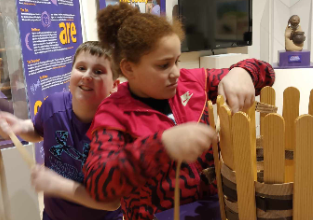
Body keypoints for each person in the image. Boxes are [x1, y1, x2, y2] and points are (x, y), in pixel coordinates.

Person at [83, 3, 275, 220]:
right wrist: (160, 145)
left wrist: (243, 72)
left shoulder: (193, 82)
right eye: (163, 65)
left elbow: (266, 72)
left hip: (217, 209)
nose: (175, 73)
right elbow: (98, 182)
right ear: (129, 68)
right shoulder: (112, 113)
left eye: (177, 61)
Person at [0, 41, 122, 220]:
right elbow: (38, 130)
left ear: (114, 86)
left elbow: (112, 202)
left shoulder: (117, 129)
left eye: (98, 71)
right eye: (81, 67)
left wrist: (58, 185)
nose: (87, 76)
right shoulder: (53, 105)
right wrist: (19, 126)